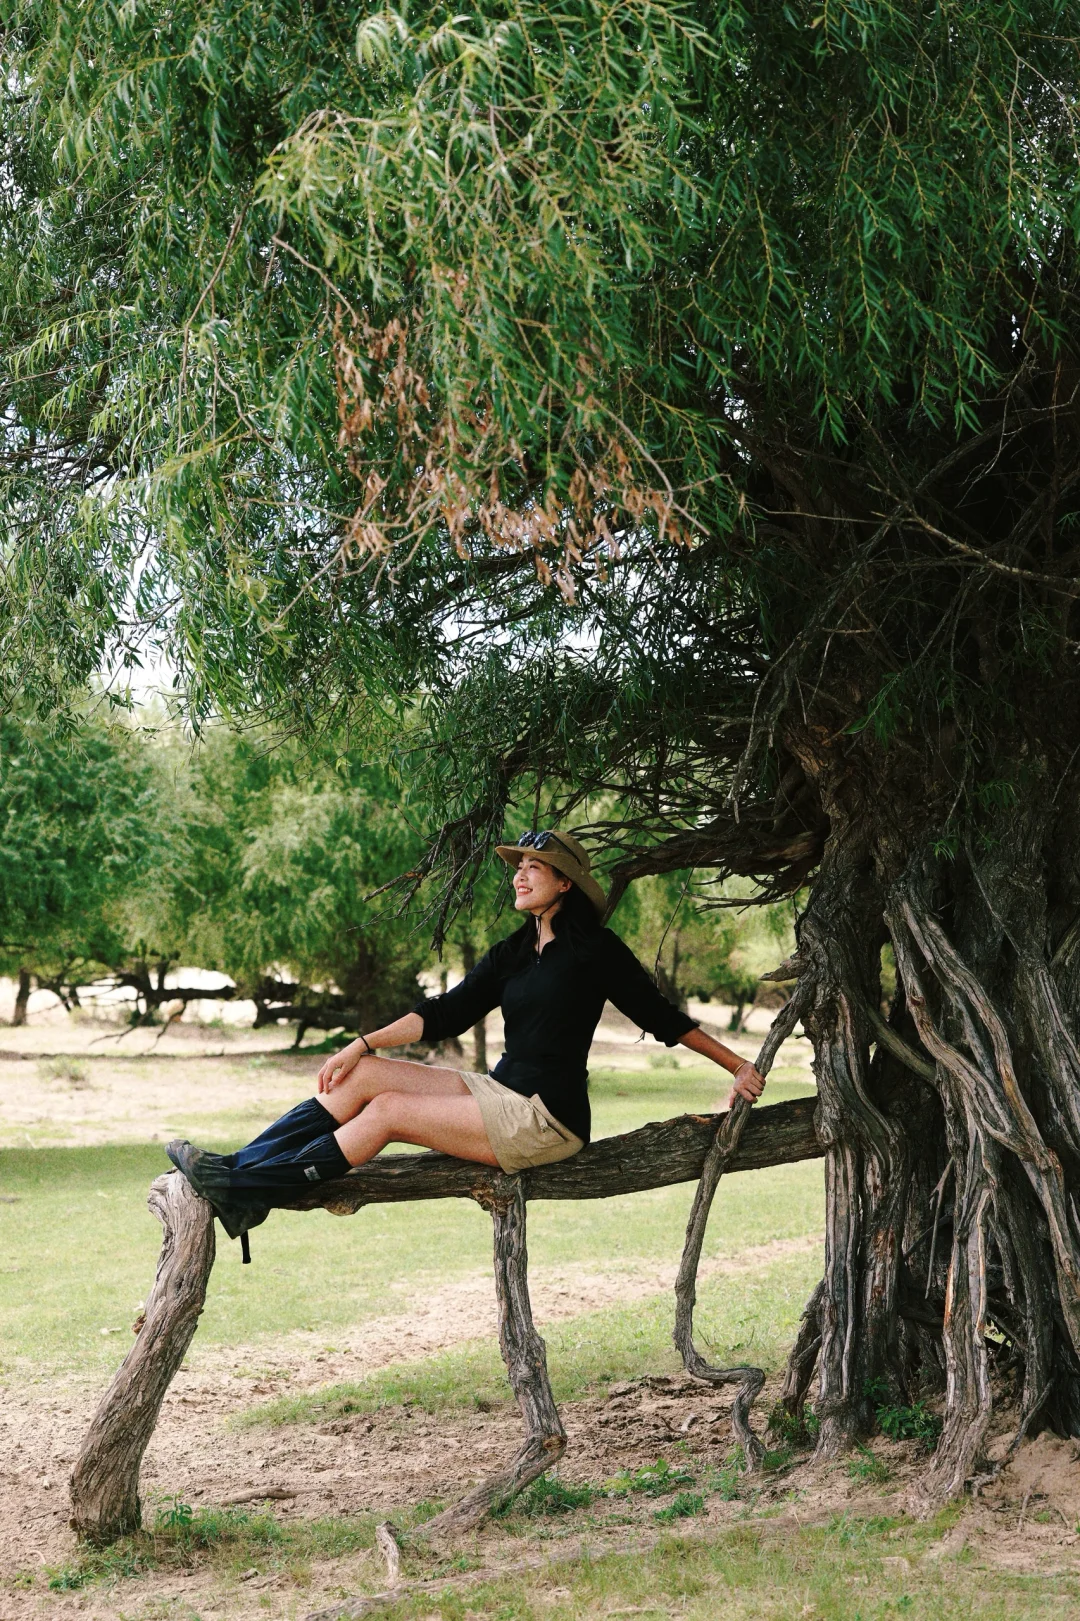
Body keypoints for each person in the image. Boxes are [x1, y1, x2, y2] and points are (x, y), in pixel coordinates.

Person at [166, 830, 766, 1244]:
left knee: (389, 1111)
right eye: (518, 868)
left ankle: (246, 1189)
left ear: (565, 884)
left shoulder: (596, 952)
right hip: (496, 1092)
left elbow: (664, 1018)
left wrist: (739, 1064)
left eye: (533, 868)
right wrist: (363, 1044)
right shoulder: (514, 951)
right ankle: (239, 1174)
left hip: (544, 1119)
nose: (519, 877)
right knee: (365, 1077)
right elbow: (446, 1013)